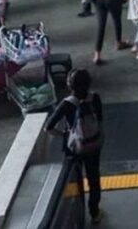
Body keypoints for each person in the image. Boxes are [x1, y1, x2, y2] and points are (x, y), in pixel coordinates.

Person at [45, 69, 104, 224]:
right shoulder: (95, 98)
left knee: (75, 178)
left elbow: (48, 127)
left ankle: (78, 210)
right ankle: (95, 213)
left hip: (75, 148)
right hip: (93, 145)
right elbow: (100, 120)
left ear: (69, 85)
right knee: (94, 179)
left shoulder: (66, 104)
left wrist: (65, 134)